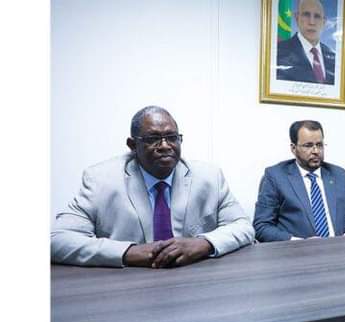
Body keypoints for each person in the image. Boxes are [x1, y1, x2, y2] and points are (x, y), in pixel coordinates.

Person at [51, 106, 255, 268]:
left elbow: (243, 226)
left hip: (193, 281)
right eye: (152, 139)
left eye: (172, 137)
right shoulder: (101, 180)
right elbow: (57, 239)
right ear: (132, 145)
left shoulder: (209, 177)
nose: (165, 146)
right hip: (127, 287)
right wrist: (129, 252)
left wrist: (203, 243)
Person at [253, 120, 345, 241]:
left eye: (319, 145)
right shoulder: (276, 176)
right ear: (293, 148)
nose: (316, 151)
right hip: (297, 250)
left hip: (339, 248)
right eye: (308, 145)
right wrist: (298, 243)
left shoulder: (339, 175)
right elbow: (261, 227)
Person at [276, 0, 336, 85]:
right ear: (297, 18)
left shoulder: (333, 57)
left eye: (317, 16)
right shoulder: (279, 52)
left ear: (324, 22)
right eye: (306, 14)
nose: (312, 22)